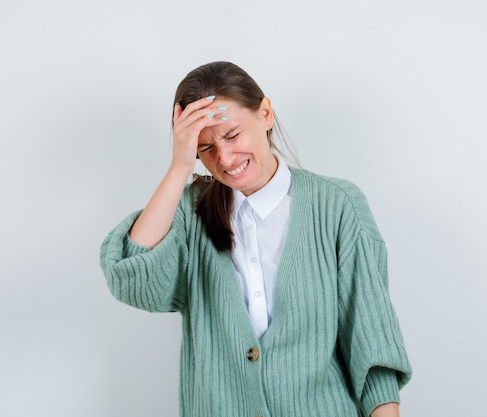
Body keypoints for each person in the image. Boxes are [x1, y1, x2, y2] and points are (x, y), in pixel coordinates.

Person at [100, 61, 412, 417]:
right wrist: (179, 168)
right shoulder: (189, 213)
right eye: (205, 148)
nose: (225, 158)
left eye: (232, 135)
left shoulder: (337, 205)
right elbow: (130, 277)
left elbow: (372, 344)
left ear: (265, 113)